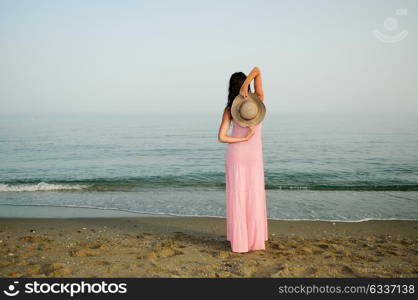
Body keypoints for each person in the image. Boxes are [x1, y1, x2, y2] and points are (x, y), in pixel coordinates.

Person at [218, 66, 268, 253]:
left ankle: (240, 240)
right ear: (244, 85)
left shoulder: (230, 109)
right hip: (253, 156)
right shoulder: (257, 102)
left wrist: (241, 139)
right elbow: (257, 70)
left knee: (239, 196)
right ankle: (254, 240)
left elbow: (222, 137)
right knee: (253, 195)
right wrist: (247, 85)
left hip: (237, 155)